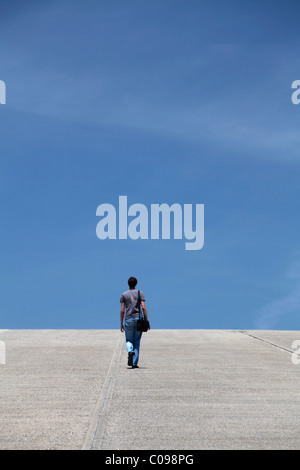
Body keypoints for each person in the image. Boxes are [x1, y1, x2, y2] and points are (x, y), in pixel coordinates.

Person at [120, 276, 150, 368]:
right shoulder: (140, 293)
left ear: (128, 284)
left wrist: (121, 323)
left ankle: (130, 351)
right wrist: (147, 320)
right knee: (136, 342)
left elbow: (122, 310)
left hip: (128, 319)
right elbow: (143, 307)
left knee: (129, 340)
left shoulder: (124, 295)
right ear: (135, 284)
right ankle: (134, 363)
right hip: (138, 319)